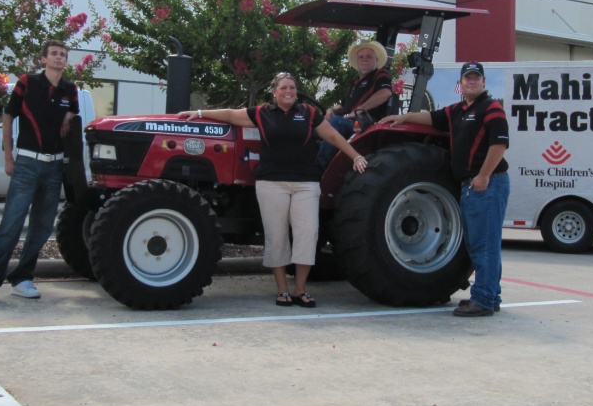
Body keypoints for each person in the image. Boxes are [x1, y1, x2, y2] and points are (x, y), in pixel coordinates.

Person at [176, 72, 367, 308]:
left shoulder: (308, 113)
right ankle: (282, 290)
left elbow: (334, 136)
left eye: (292, 88)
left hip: (305, 184)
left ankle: (300, 289)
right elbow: (230, 115)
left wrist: (356, 156)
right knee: (276, 236)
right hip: (271, 183)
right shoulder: (261, 113)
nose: (288, 91)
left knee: (307, 234)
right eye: (284, 88)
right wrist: (201, 113)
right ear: (274, 92)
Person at [379, 61, 509, 317]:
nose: (471, 82)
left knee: (484, 244)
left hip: (487, 182)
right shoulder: (458, 110)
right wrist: (403, 117)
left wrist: (483, 175)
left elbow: (499, 145)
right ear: (460, 84)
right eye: (467, 79)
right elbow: (430, 117)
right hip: (471, 184)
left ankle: (482, 300)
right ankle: (491, 296)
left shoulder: (491, 108)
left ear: (483, 82)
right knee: (480, 242)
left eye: (476, 78)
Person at [0, 40, 78, 305]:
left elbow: (72, 114)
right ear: (43, 59)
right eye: (54, 54)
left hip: (54, 166)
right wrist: (8, 156)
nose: (59, 58)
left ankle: (22, 278)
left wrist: (69, 116)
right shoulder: (27, 83)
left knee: (41, 228)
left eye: (63, 55)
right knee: (11, 224)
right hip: (27, 163)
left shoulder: (70, 89)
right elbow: (8, 117)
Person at [317, 39, 392, 168]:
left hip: (366, 124)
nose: (364, 59)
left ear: (376, 60)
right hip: (349, 120)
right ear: (357, 61)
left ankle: (320, 167)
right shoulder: (355, 82)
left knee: (336, 122)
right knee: (315, 122)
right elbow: (343, 105)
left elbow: (385, 93)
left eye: (369, 56)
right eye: (361, 57)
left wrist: (359, 109)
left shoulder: (380, 75)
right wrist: (331, 110)